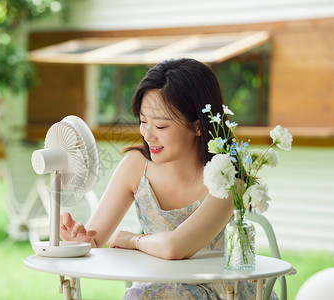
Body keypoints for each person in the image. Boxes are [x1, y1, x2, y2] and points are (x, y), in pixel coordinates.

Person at [60, 58, 270, 299]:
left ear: (198, 126)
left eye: (161, 126)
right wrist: (80, 240)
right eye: (143, 122)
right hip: (165, 290)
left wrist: (133, 239)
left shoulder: (226, 176)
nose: (148, 135)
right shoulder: (135, 167)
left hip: (224, 291)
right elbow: (95, 241)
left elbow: (174, 247)